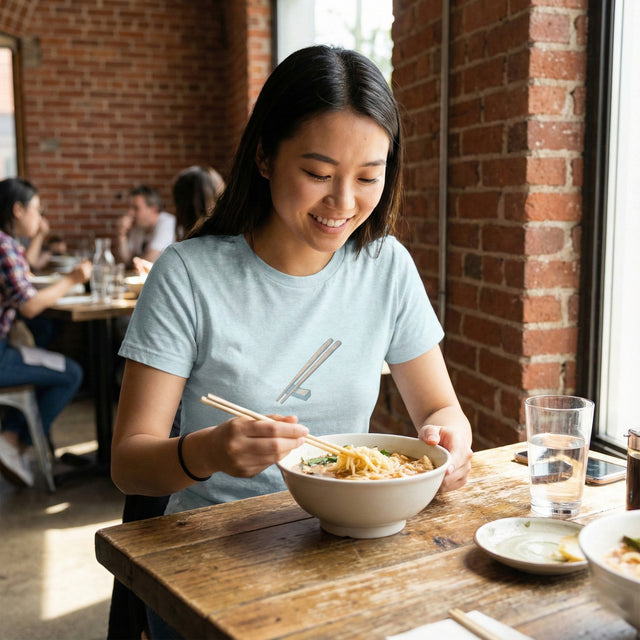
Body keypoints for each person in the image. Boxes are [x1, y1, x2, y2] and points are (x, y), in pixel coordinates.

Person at [111, 45, 472, 637]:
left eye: (368, 177)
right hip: (213, 558)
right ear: (264, 157)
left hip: (351, 545)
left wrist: (447, 445)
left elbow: (440, 408)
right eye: (318, 174)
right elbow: (129, 463)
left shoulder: (385, 265)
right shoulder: (187, 274)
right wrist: (206, 453)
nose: (344, 203)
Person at [0, 177, 92, 487]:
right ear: (18, 209)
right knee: (70, 373)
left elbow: (20, 277)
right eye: (37, 210)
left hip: (6, 348)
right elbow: (28, 306)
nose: (40, 218)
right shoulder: (3, 244)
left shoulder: (7, 245)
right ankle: (13, 444)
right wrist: (72, 279)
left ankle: (11, 438)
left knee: (45, 351)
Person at [116, 185, 176, 270]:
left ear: (153, 209)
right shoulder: (139, 225)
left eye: (136, 208)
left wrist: (133, 264)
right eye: (130, 207)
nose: (130, 213)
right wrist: (121, 234)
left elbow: (149, 261)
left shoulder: (167, 222)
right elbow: (125, 261)